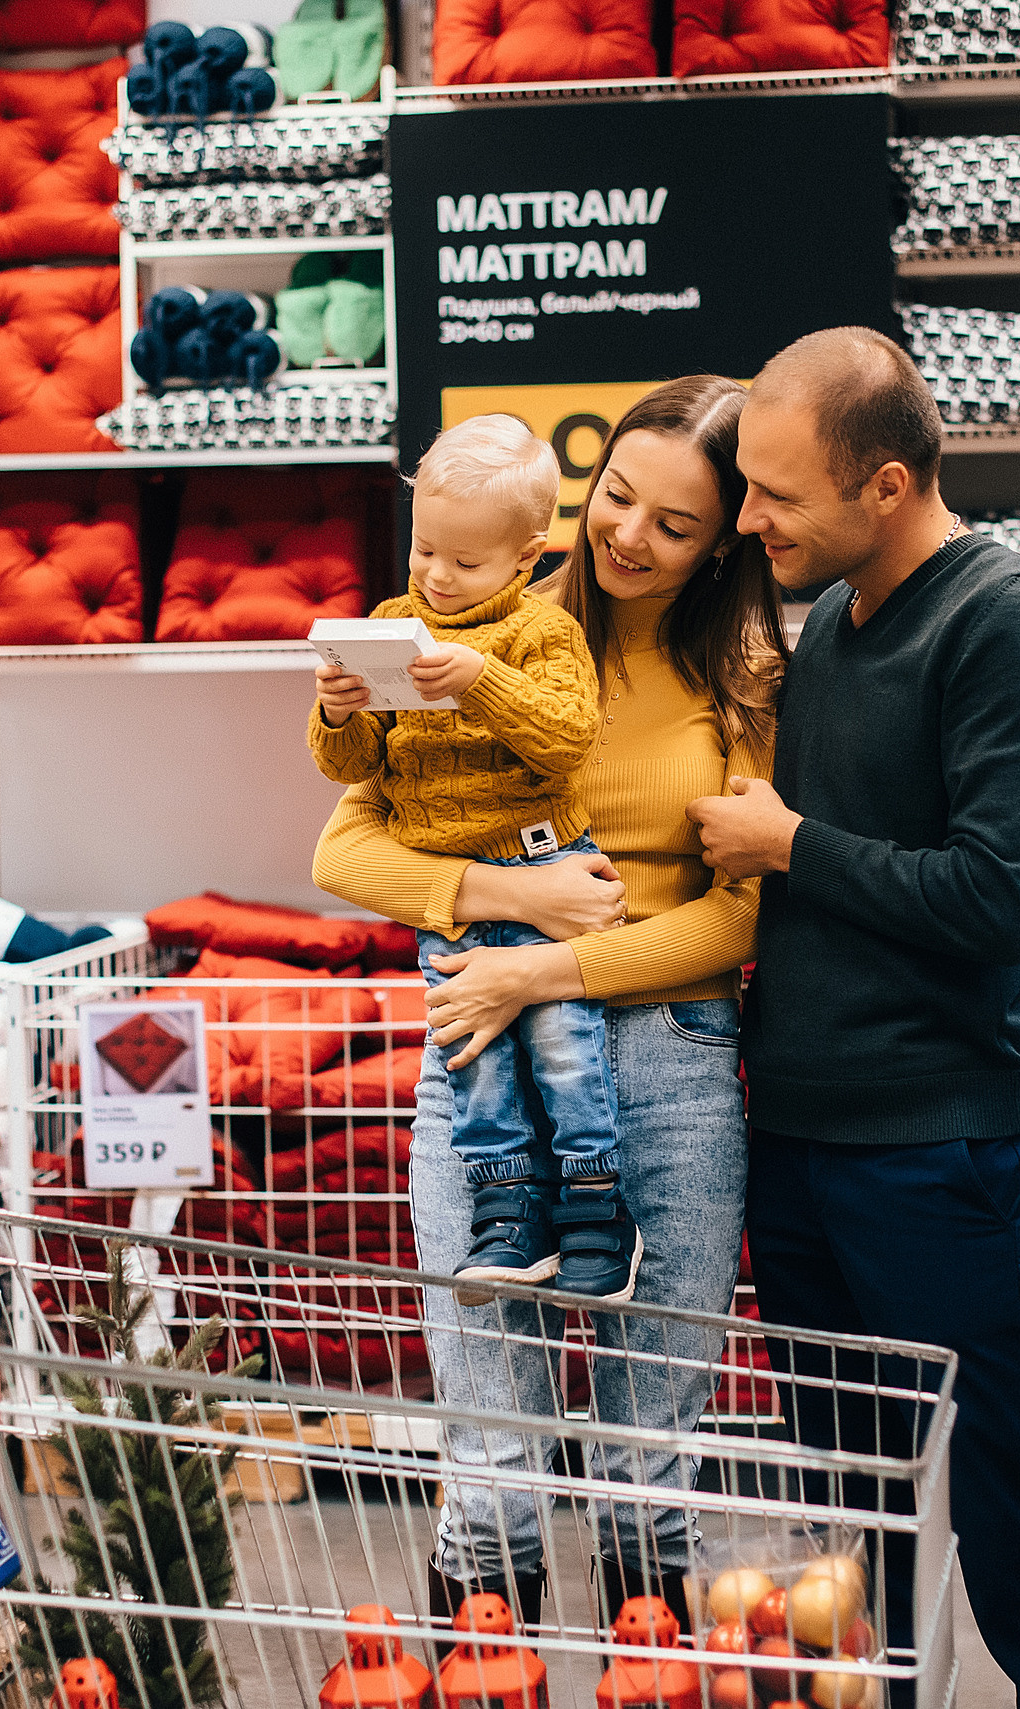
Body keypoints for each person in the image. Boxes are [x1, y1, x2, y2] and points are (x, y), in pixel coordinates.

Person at [688, 326, 1020, 1709]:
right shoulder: (831, 619)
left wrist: (789, 846)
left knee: (1015, 1526)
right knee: (859, 1533)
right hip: (812, 1151)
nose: (746, 517)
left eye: (777, 493)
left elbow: (1005, 902)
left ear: (885, 485)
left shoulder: (1008, 622)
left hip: (943, 1159)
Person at [311, 375, 786, 1628]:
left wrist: (544, 962)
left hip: (676, 1058)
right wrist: (500, 899)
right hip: (485, 1044)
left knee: (647, 1463)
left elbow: (737, 917)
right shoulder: (478, 636)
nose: (630, 535)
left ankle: (645, 1655)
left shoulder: (744, 674)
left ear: (728, 532)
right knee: (490, 1451)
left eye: (674, 523)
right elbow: (344, 854)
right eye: (617, 498)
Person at [308, 413, 637, 1304]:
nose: (436, 579)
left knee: (565, 1049)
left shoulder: (542, 634)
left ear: (528, 557)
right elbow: (353, 771)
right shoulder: (389, 624)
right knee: (474, 1062)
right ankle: (505, 1216)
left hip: (545, 863)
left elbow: (567, 741)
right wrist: (339, 712)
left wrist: (479, 680)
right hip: (453, 901)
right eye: (424, 553)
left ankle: (598, 1209)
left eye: (465, 562)